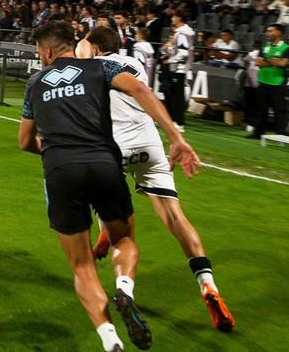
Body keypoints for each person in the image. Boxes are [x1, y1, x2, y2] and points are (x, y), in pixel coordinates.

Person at [20, 22, 202, 352]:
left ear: (46, 50)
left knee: (82, 266)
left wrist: (56, 148)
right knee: (124, 239)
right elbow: (141, 91)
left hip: (61, 169)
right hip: (104, 162)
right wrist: (176, 137)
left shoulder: (35, 83)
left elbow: (24, 142)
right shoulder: (99, 68)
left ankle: (110, 340)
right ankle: (124, 287)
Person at [81, 27, 235, 333]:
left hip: (114, 146)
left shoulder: (93, 66)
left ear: (95, 48)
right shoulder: (133, 62)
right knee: (176, 217)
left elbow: (82, 54)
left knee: (117, 219)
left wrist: (86, 45)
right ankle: (208, 284)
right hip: (149, 143)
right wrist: (175, 137)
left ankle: (124, 285)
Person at [250, 25, 289, 138]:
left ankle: (281, 136)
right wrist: (274, 61)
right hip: (263, 81)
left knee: (279, 110)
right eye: (267, 31)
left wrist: (267, 61)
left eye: (270, 31)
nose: (267, 33)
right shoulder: (264, 46)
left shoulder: (286, 47)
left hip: (278, 82)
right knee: (261, 109)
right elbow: (258, 63)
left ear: (279, 33)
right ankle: (258, 133)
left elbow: (283, 64)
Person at [160, 14, 193, 130]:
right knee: (174, 94)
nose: (172, 19)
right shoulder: (183, 32)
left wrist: (170, 60)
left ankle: (179, 122)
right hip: (178, 67)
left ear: (179, 18)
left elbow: (183, 52)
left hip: (179, 68)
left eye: (174, 17)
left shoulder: (182, 33)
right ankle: (174, 120)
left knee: (178, 95)